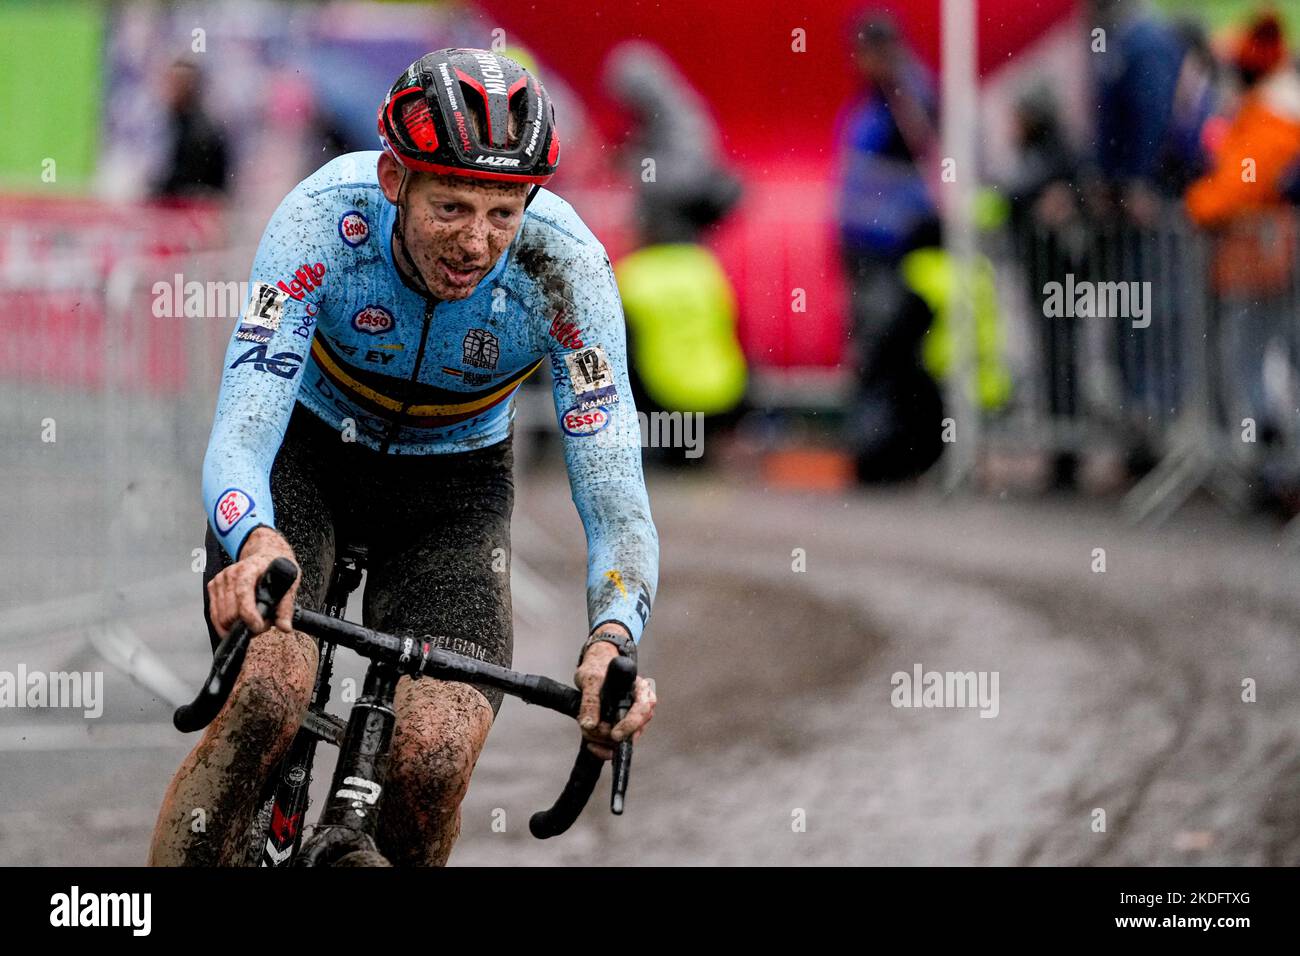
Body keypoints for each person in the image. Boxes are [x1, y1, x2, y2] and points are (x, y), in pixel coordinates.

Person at [148, 49, 659, 866]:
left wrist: (611, 639)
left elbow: (615, 494)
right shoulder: (322, 222)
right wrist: (253, 542)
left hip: (452, 496)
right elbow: (243, 433)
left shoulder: (568, 270)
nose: (476, 242)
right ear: (395, 181)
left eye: (503, 211)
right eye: (451, 206)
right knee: (268, 697)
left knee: (435, 757)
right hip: (306, 462)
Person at [834, 12, 942, 483]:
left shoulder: (905, 96)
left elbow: (925, 152)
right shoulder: (881, 99)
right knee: (877, 349)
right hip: (867, 240)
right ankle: (883, 452)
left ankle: (886, 454)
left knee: (884, 351)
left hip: (888, 243)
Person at [150, 58, 230, 201]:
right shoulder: (172, 121)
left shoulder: (200, 132)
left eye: (178, 84)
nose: (170, 89)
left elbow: (187, 184)